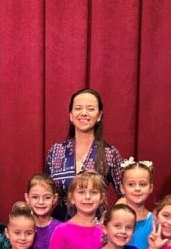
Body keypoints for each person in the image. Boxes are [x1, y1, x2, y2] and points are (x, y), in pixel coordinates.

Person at [45, 87, 124, 219]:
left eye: (90, 109)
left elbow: (125, 194)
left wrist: (108, 220)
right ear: (71, 115)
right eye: (78, 108)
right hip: (59, 225)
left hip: (95, 226)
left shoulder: (109, 153)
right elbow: (45, 191)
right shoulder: (56, 151)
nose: (83, 113)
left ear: (99, 115)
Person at [118, 158, 155, 249]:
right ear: (122, 188)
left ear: (150, 188)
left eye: (142, 184)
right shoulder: (112, 219)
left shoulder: (155, 221)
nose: (137, 189)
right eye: (131, 184)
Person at [24, 173, 62, 249]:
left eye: (47, 197)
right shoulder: (22, 226)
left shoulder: (60, 229)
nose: (41, 202)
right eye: (35, 197)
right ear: (27, 198)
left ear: (54, 198)